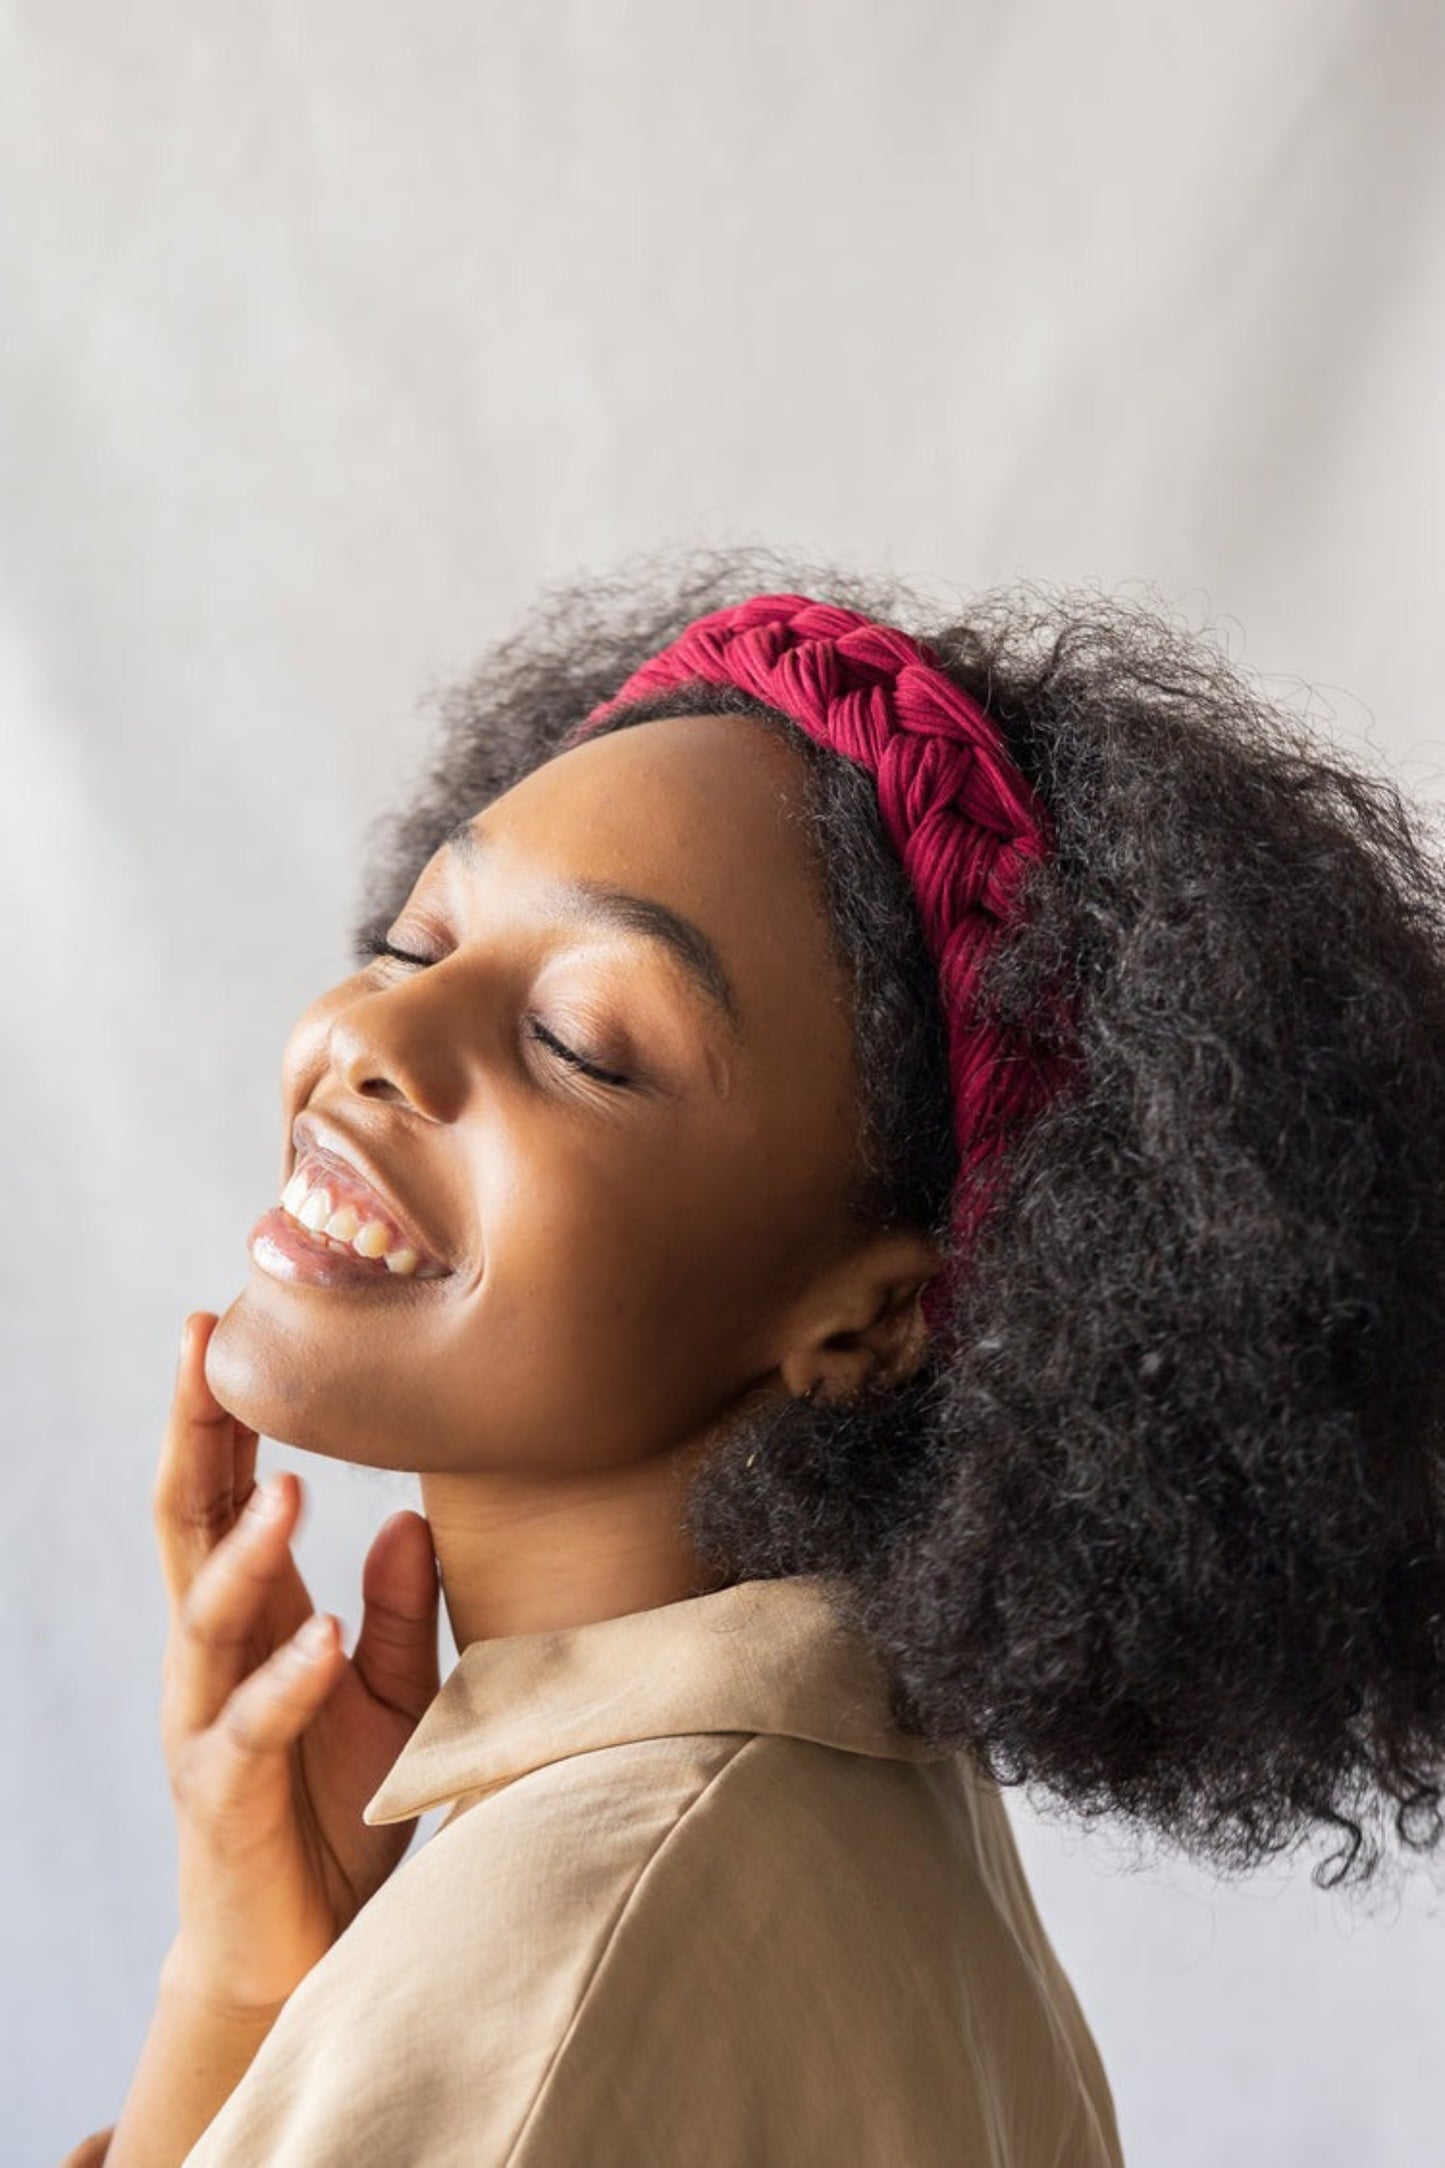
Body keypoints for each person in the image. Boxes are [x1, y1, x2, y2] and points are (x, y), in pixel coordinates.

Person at [63, 554, 1445, 2166]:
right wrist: (254, 1977)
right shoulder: (845, 1821)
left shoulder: (557, 1967)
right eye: (419, 938)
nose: (373, 1038)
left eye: (577, 1040)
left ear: (865, 1319)